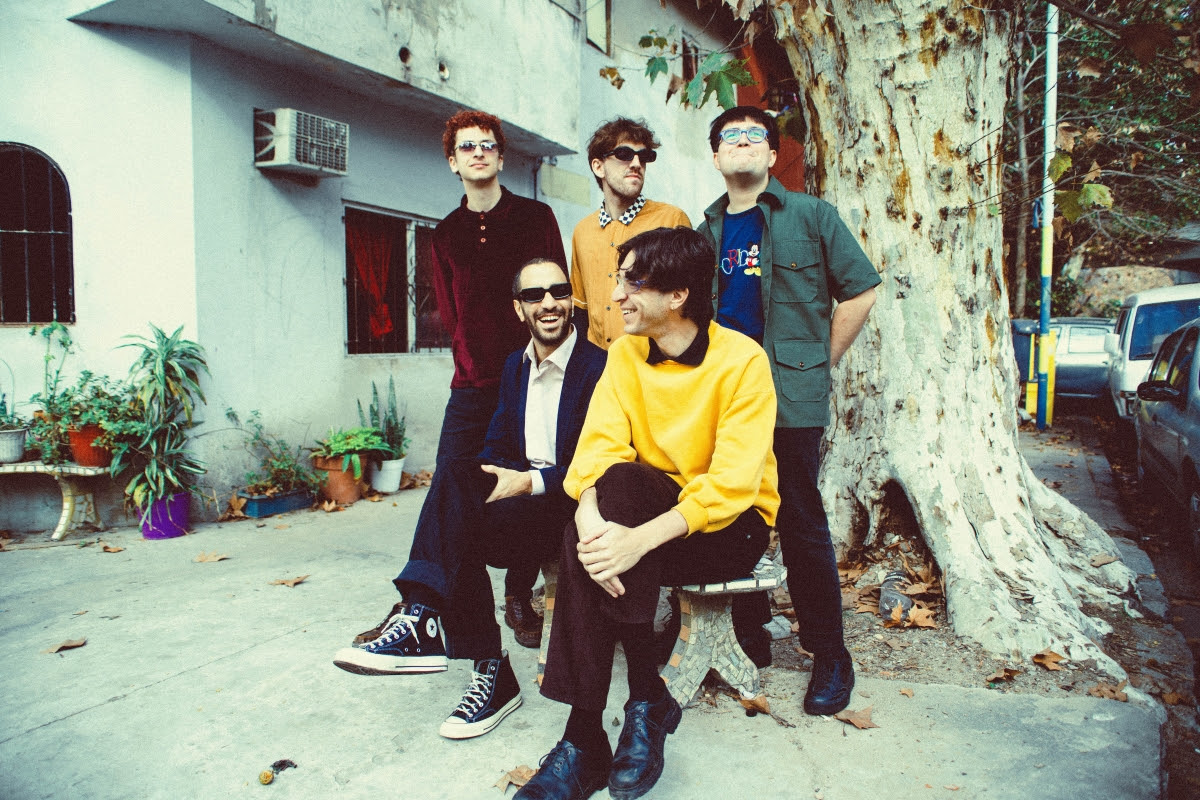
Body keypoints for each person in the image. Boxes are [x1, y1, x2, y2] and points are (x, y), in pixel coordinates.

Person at [516, 228, 779, 800]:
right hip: (647, 509)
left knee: (614, 537)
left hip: (728, 529)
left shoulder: (743, 362)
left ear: (678, 295)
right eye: (620, 280)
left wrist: (634, 542)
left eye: (632, 282)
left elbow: (731, 486)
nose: (616, 295)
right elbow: (597, 450)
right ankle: (623, 715)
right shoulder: (626, 355)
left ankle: (601, 729)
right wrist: (589, 521)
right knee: (610, 500)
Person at [333, 258, 606, 740]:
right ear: (518, 308)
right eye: (534, 295)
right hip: (521, 507)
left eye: (558, 292)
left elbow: (602, 462)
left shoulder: (600, 368)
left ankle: (432, 627)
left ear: (571, 300)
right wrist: (494, 478)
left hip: (570, 506)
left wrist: (529, 482)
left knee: (455, 525)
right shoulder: (515, 366)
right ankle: (457, 642)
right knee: (456, 482)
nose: (548, 303)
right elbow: (498, 442)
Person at [697, 105, 881, 717]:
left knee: (800, 523)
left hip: (790, 398)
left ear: (773, 155)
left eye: (756, 135)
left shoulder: (811, 215)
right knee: (730, 513)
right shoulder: (705, 231)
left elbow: (861, 290)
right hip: (724, 400)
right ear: (716, 156)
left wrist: (818, 360)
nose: (743, 143)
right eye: (730, 136)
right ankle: (747, 632)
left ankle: (830, 653)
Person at [429, 109, 570, 647]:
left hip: (531, 377)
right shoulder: (445, 234)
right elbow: (450, 313)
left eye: (487, 144)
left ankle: (517, 593)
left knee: (528, 485)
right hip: (471, 384)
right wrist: (468, 359)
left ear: (501, 157)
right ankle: (430, 605)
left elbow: (556, 294)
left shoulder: (535, 217)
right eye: (467, 147)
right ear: (453, 162)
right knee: (450, 486)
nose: (478, 153)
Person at [569, 117, 690, 349]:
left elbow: (690, 305)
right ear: (598, 166)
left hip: (653, 362)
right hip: (600, 364)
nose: (636, 163)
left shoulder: (671, 220)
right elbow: (581, 309)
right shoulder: (582, 231)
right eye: (624, 154)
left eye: (643, 157)